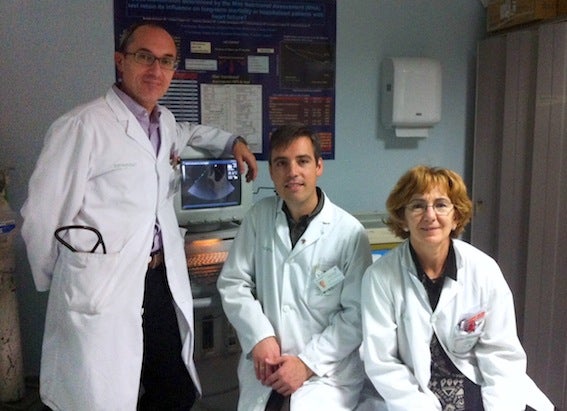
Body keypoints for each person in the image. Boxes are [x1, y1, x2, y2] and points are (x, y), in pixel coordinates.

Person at [20, 22, 257, 411]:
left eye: (166, 61)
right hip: (103, 284)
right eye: (144, 57)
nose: (155, 70)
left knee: (176, 387)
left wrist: (233, 141)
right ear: (121, 61)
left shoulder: (162, 122)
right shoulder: (83, 125)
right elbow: (41, 216)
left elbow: (189, 133)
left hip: (159, 279)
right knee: (102, 396)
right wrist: (66, 279)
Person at [360, 165, 554, 411]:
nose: (430, 215)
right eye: (417, 206)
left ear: (456, 217)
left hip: (478, 382)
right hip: (414, 392)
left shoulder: (483, 270)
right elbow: (382, 362)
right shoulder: (380, 277)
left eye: (441, 205)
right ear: (403, 218)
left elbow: (500, 353)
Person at [217, 124, 372, 411]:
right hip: (266, 365)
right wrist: (260, 336)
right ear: (271, 171)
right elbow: (234, 283)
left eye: (302, 161)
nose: (292, 172)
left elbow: (356, 315)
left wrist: (306, 363)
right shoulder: (259, 217)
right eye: (281, 163)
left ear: (319, 166)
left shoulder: (349, 233)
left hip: (324, 375)